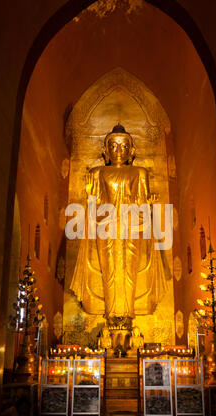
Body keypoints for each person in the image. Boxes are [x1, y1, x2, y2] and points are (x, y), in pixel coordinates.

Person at [70, 124, 167, 324]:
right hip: (106, 226)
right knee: (110, 270)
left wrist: (149, 205)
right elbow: (96, 204)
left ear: (131, 151)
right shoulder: (98, 173)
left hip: (132, 225)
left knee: (130, 271)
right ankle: (111, 313)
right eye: (113, 146)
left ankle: (128, 313)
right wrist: (89, 195)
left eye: (123, 146)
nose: (118, 150)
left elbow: (141, 203)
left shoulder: (140, 172)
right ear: (105, 150)